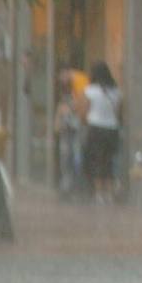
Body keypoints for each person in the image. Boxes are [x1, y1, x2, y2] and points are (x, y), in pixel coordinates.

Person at [80, 61, 122, 204]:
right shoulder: (116, 92)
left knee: (96, 160)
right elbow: (118, 113)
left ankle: (99, 193)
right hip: (112, 129)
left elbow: (84, 112)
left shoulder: (90, 91)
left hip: (95, 128)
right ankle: (109, 193)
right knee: (108, 161)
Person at [54, 71, 83, 200]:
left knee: (72, 160)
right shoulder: (64, 101)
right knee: (66, 161)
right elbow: (59, 117)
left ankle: (71, 188)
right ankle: (67, 187)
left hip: (74, 134)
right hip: (67, 134)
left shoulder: (76, 98)